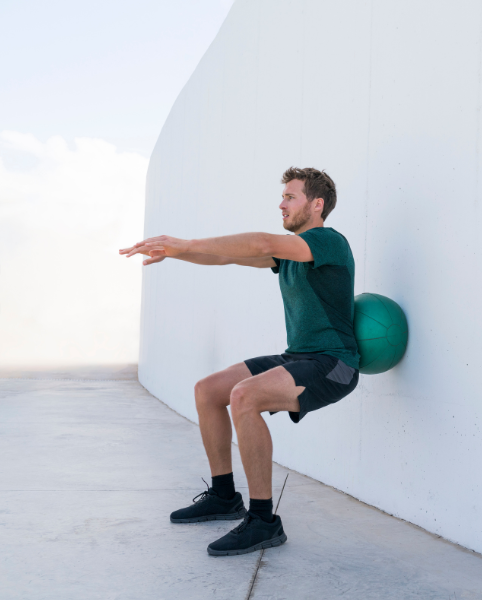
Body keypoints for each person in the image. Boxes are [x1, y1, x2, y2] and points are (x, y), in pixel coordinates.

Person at [120, 167, 360, 556]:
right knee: (209, 390)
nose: (281, 203)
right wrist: (177, 251)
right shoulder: (289, 256)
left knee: (245, 396)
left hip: (335, 363)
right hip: (299, 356)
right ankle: (223, 495)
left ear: (317, 205)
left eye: (290, 196)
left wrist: (186, 240)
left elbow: (262, 241)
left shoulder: (328, 242)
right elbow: (228, 256)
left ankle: (264, 521)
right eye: (282, 196)